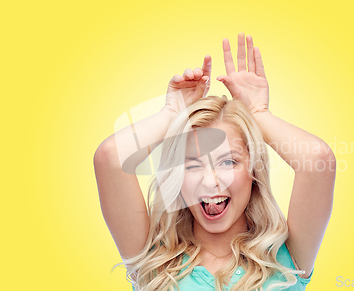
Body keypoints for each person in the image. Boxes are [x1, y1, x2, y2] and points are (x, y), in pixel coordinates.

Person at [94, 32, 336, 291]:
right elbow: (111, 157)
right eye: (192, 165)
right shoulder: (153, 262)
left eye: (228, 162)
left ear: (253, 170)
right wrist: (172, 113)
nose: (210, 181)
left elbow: (318, 160)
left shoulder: (285, 259)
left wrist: (258, 114)